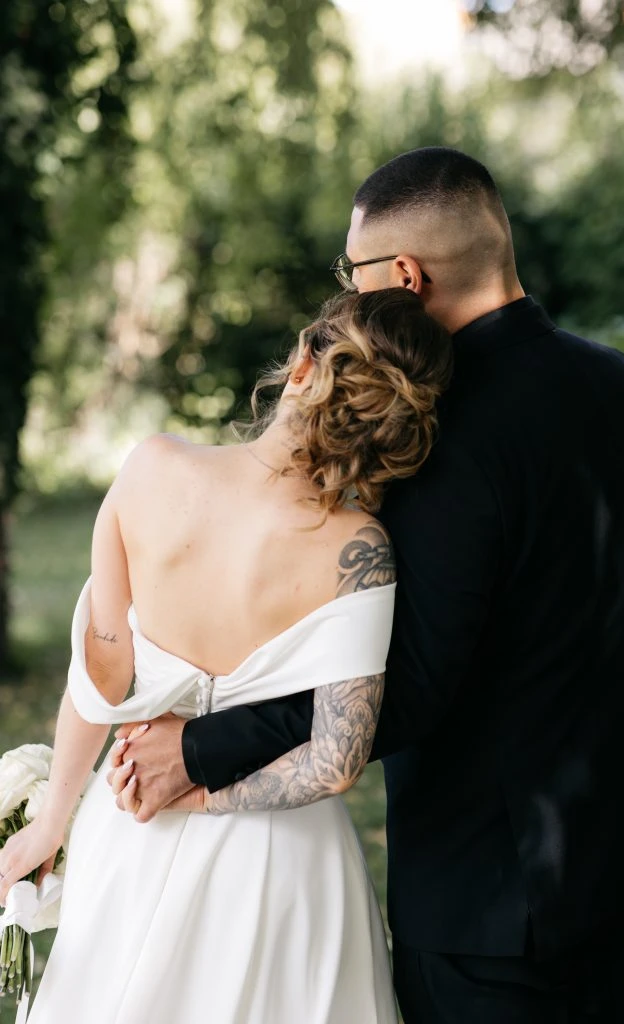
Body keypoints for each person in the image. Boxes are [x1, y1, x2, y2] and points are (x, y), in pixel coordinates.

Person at [109, 147, 624, 1024]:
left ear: (403, 276)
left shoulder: (443, 435)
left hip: (486, 889)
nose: (348, 286)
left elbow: (405, 685)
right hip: (609, 853)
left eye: (354, 270)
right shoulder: (616, 386)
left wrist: (199, 747)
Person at [0, 287, 454, 1023]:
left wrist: (53, 821)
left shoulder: (151, 469)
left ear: (302, 364)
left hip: (133, 819)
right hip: (284, 865)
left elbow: (100, 681)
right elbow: (336, 762)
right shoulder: (359, 551)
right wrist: (208, 795)